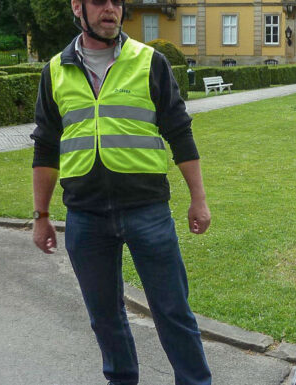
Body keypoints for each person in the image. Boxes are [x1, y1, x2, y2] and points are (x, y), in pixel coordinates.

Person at [30, 0, 212, 384]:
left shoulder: (149, 62)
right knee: (104, 317)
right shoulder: (55, 71)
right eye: (100, 1)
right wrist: (41, 216)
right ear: (78, 7)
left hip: (147, 211)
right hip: (85, 216)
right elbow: (45, 147)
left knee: (173, 312)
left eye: (117, 1)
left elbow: (180, 133)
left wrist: (198, 199)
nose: (110, 9)